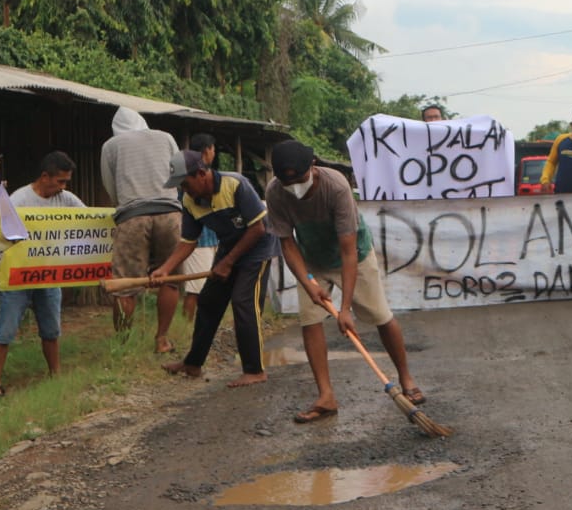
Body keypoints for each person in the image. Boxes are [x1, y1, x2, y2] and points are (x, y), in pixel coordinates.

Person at [265, 140, 426, 422]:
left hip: (354, 256)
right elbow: (288, 244)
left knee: (380, 315)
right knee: (309, 320)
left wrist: (346, 308)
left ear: (312, 167)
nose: (293, 187)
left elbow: (348, 250)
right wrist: (308, 282)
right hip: (312, 257)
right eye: (285, 181)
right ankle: (326, 396)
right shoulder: (276, 193)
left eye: (299, 179)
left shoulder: (336, 187)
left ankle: (407, 378)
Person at [153, 150, 277, 387]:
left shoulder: (235, 184)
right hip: (228, 249)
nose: (183, 190)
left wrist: (228, 262)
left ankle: (255, 370)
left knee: (244, 303)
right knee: (208, 302)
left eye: (185, 184)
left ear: (201, 174)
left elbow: (257, 229)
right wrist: (165, 269)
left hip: (258, 249)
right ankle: (193, 363)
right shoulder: (189, 201)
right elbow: (188, 241)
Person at [0, 152, 82, 397]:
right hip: (17, 275)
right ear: (44, 177)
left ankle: (55, 375)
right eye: (60, 181)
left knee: (51, 329)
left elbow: (86, 219)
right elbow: (2, 233)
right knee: (5, 330)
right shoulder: (19, 200)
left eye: (66, 182)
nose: (63, 187)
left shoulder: (66, 199)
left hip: (49, 274)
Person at [100, 107, 182, 352]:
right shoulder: (165, 137)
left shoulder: (111, 146)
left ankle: (123, 345)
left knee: (125, 284)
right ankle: (162, 340)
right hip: (169, 214)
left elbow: (110, 185)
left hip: (132, 216)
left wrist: (126, 206)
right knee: (170, 279)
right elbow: (179, 173)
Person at [180, 132, 220, 323]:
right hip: (198, 240)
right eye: (213, 149)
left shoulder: (210, 175)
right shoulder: (190, 173)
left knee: (209, 286)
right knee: (195, 288)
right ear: (206, 150)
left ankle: (204, 323)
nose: (214, 153)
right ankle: (187, 326)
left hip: (213, 236)